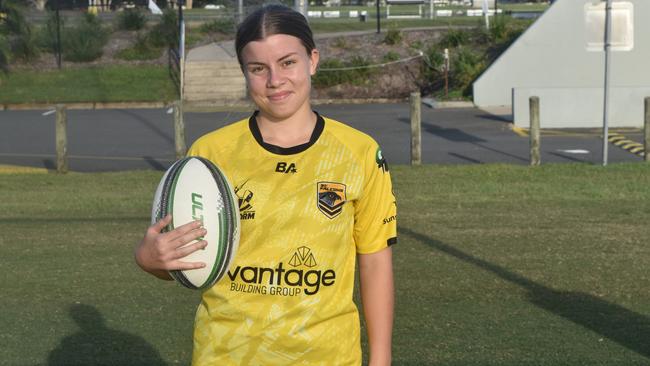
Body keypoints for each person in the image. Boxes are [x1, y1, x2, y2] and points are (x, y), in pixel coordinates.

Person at [135, 4, 397, 365]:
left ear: (313, 60)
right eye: (258, 69)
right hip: (226, 354)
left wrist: (380, 359)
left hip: (327, 356)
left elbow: (375, 260)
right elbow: (190, 256)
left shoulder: (360, 152)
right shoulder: (210, 154)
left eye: (287, 62)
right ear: (244, 72)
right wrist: (149, 259)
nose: (274, 80)